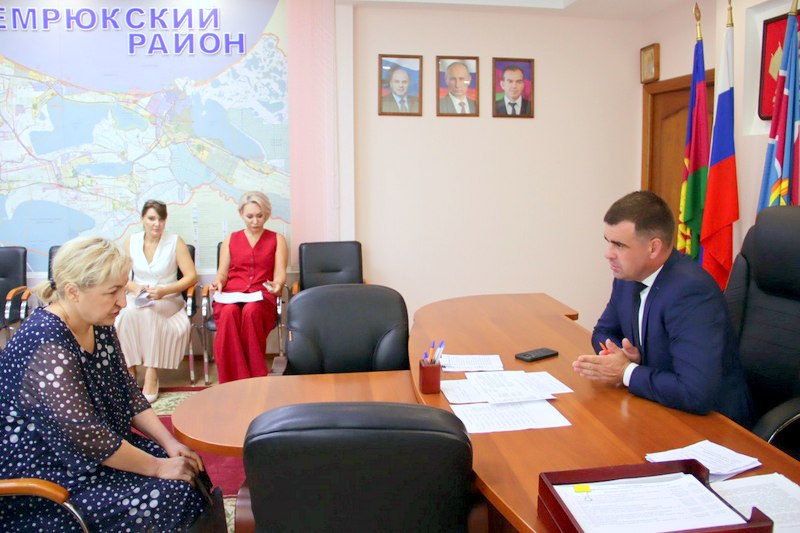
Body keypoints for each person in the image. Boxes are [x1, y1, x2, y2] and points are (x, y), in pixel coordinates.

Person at [0, 237, 205, 531]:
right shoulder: (46, 341)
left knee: (190, 469)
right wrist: (158, 467)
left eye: (123, 288)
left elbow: (128, 392)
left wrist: (169, 443)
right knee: (172, 494)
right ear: (73, 291)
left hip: (99, 454)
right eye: (112, 292)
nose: (123, 301)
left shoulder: (98, 323)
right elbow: (86, 436)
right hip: (50, 473)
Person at [572, 191, 753, 427]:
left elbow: (696, 393)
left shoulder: (691, 292)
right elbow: (603, 332)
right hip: (658, 405)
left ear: (653, 248)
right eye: (608, 241)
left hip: (715, 425)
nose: (608, 254)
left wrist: (626, 371)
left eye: (619, 245)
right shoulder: (628, 277)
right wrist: (620, 355)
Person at [115, 200, 197, 403]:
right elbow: (120, 275)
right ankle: (130, 370)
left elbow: (191, 277)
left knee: (150, 312)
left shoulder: (175, 242)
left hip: (168, 298)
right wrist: (135, 288)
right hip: (138, 296)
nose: (156, 224)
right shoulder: (131, 241)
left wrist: (163, 291)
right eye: (151, 218)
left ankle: (152, 373)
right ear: (142, 219)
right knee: (125, 314)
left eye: (161, 219)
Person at [212, 191, 288, 383]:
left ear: (267, 214)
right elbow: (222, 273)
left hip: (261, 296)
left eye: (260, 216)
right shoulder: (230, 240)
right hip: (232, 294)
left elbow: (280, 274)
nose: (255, 221)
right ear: (241, 214)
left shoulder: (277, 239)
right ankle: (231, 380)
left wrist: (277, 285)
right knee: (229, 313)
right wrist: (219, 282)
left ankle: (255, 378)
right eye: (250, 216)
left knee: (251, 311)